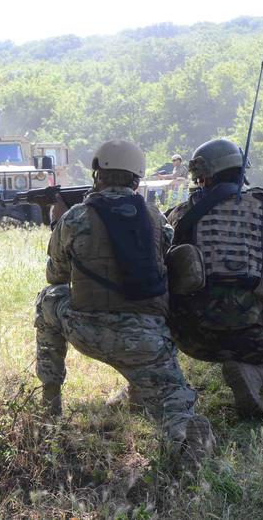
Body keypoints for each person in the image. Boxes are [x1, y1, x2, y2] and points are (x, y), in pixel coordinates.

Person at [35, 138, 215, 468]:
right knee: (173, 401)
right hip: (147, 339)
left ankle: (50, 402)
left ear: (96, 176)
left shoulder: (76, 218)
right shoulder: (157, 219)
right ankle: (184, 436)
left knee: (48, 299)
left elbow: (55, 277)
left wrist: (58, 224)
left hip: (88, 330)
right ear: (136, 180)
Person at [166, 138, 263, 419]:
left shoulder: (180, 216)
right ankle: (257, 372)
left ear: (203, 177)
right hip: (254, 336)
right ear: (241, 171)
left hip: (190, 338)